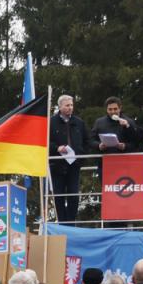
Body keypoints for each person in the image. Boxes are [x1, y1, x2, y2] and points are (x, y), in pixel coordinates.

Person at [48, 94, 89, 223]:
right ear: (60, 107)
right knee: (58, 195)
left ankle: (71, 222)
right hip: (57, 165)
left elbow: (87, 141)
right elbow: (44, 142)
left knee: (73, 195)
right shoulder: (51, 122)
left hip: (74, 165)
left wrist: (81, 156)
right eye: (67, 105)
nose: (70, 108)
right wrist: (56, 148)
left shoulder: (79, 122)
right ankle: (61, 221)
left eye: (71, 105)